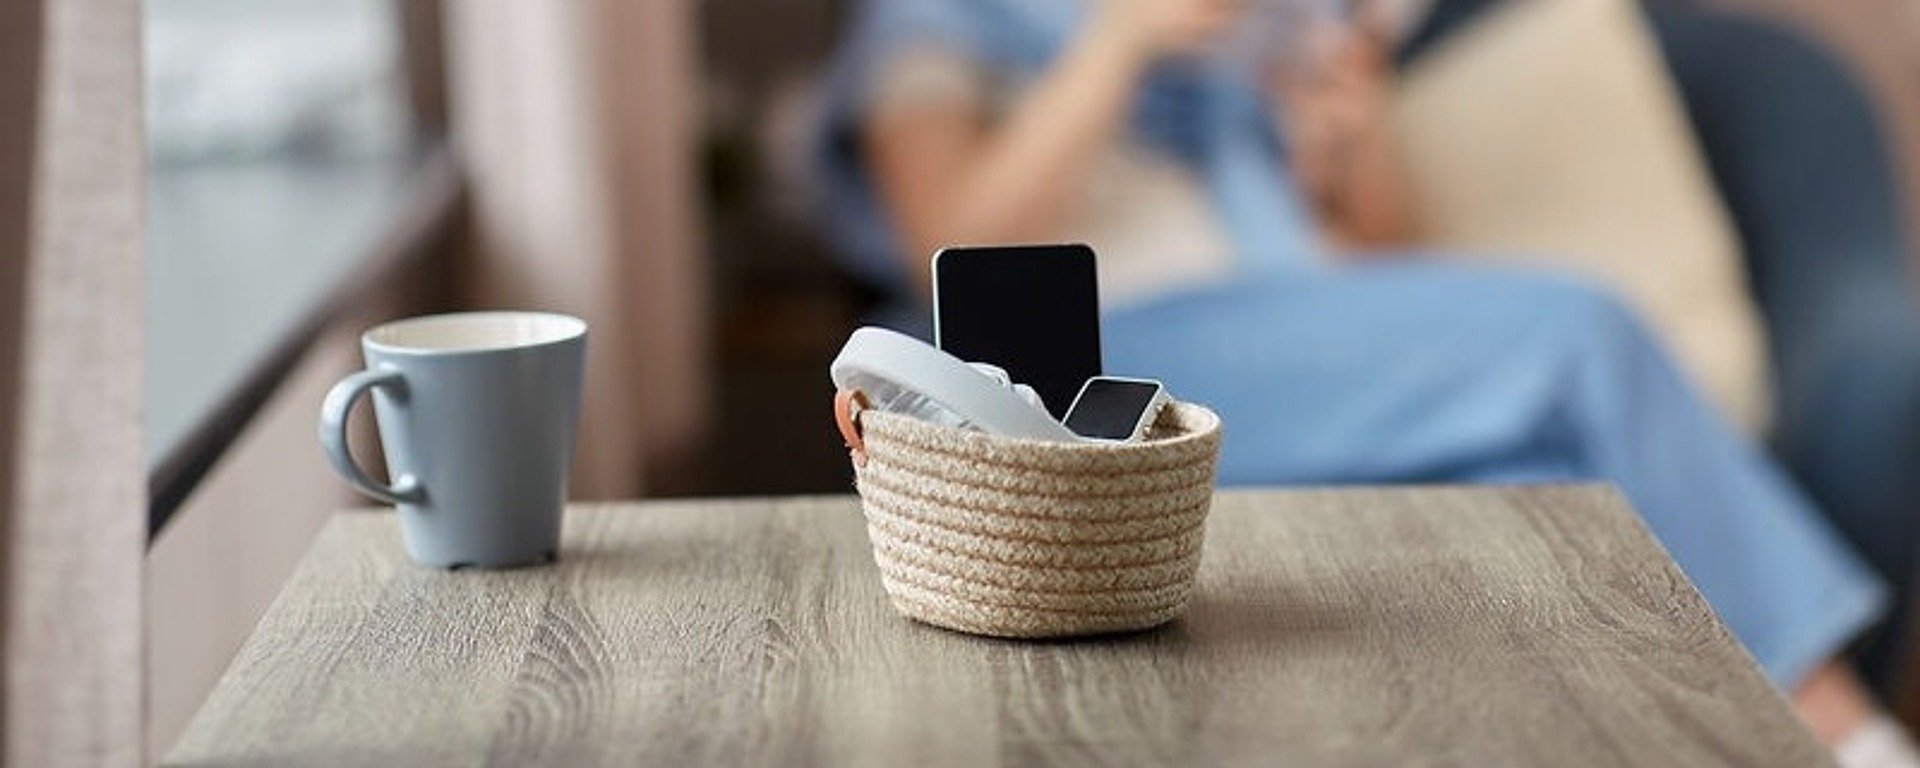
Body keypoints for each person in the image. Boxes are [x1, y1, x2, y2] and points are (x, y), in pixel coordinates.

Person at [805, 0, 1910, 758]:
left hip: (1315, 344)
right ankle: (1840, 728)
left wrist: (1351, 138)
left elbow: (1392, 270)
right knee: (1577, 331)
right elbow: (944, 241)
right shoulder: (936, 23)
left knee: (1536, 472)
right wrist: (1121, 43)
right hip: (1115, 364)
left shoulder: (1269, 29)